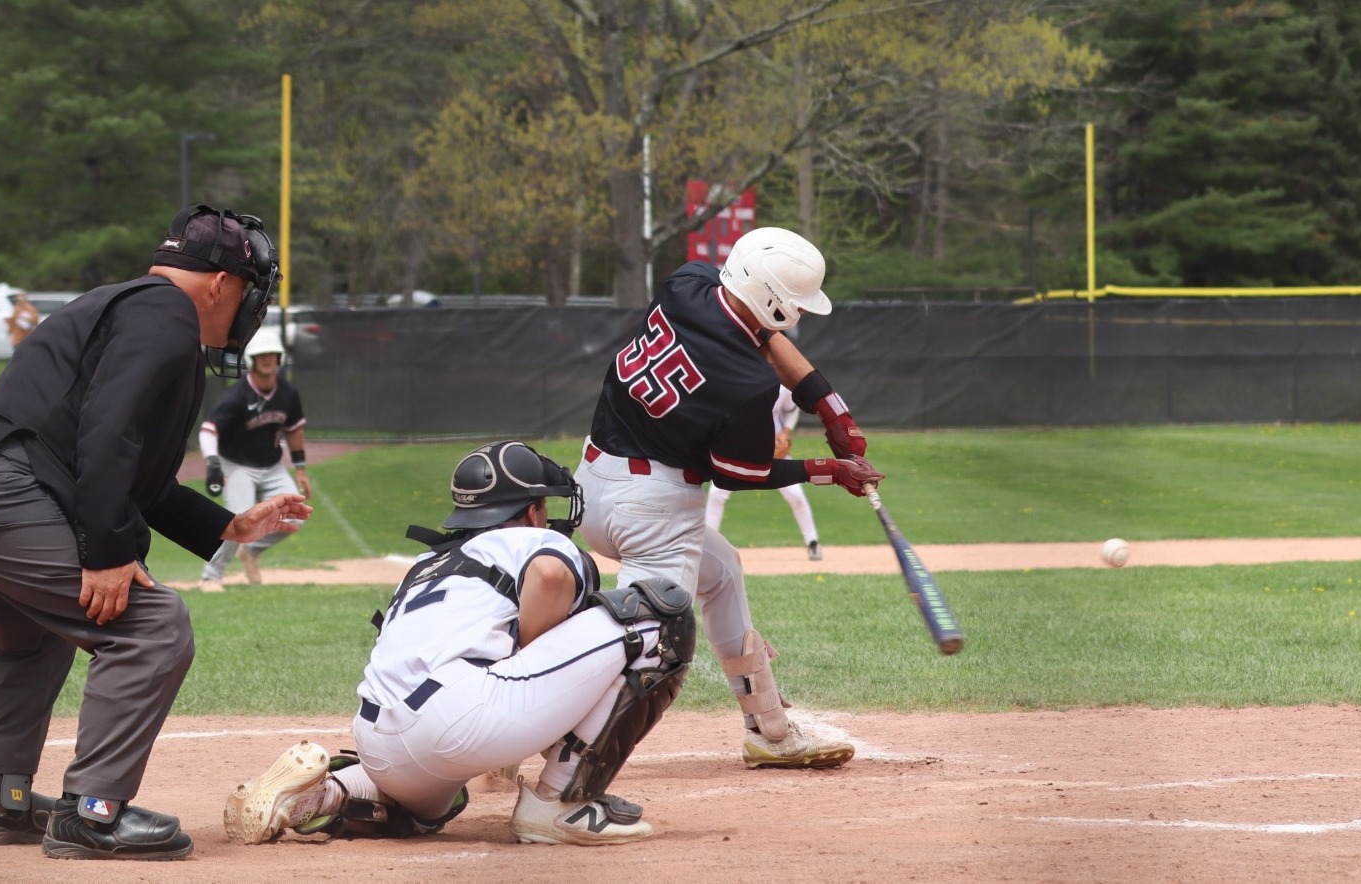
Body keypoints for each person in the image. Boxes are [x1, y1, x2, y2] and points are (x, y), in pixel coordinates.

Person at [0, 205, 313, 862]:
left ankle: (1, 801)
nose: (251, 306)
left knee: (32, 632)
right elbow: (107, 433)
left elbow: (120, 463)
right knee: (152, 625)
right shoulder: (166, 314)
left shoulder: (123, 305)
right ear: (222, 284)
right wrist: (107, 551)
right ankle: (94, 812)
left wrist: (228, 523)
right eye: (252, 291)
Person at [224, 440, 696, 847]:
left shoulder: (427, 563)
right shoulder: (530, 540)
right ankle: (560, 802)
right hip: (459, 719)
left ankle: (321, 793)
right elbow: (550, 574)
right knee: (661, 615)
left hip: (378, 741)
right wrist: (530, 661)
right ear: (530, 510)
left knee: (425, 811)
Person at [575, 226, 884, 770]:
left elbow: (758, 333)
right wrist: (828, 470)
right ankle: (544, 745)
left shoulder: (685, 285)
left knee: (722, 572)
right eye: (795, 306)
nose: (801, 316)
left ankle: (769, 727)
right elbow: (740, 473)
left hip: (594, 483)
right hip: (653, 513)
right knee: (644, 651)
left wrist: (828, 405)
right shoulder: (747, 385)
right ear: (773, 301)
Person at [197, 328, 310, 592]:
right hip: (238, 466)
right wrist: (213, 463)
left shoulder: (287, 393)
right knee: (238, 521)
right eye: (262, 355)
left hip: (272, 467)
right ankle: (210, 577)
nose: (268, 359)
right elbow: (208, 429)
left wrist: (301, 468)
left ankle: (250, 551)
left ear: (280, 358)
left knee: (296, 515)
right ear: (251, 360)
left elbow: (295, 429)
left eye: (272, 354)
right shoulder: (237, 396)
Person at [704, 386, 823, 560]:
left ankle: (812, 541)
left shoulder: (781, 386)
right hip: (738, 449)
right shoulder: (737, 380)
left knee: (795, 495)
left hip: (771, 448)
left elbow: (792, 409)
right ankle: (707, 546)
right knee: (716, 493)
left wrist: (787, 432)